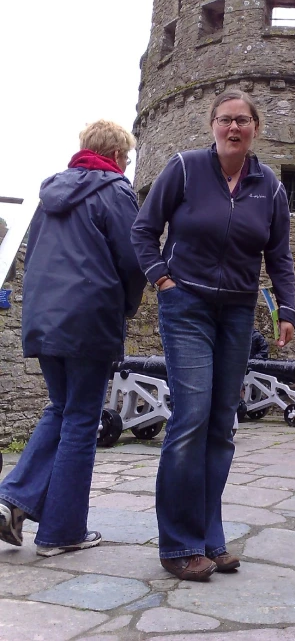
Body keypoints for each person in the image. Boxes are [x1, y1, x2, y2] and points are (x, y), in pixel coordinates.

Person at [131, 90, 295, 582]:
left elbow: (280, 254)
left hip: (238, 311)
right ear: (212, 126)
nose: (233, 128)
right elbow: (144, 229)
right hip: (187, 306)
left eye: (243, 121)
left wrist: (286, 308)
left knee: (223, 423)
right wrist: (162, 278)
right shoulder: (183, 169)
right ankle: (178, 544)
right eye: (225, 120)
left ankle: (209, 537)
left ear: (254, 129)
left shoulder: (269, 187)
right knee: (192, 417)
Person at [0, 120, 145, 556]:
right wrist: (128, 306)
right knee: (82, 419)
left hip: (44, 318)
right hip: (89, 319)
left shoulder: (51, 195)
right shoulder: (116, 191)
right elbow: (133, 258)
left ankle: (11, 499)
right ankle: (62, 533)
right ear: (119, 156)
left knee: (61, 408)